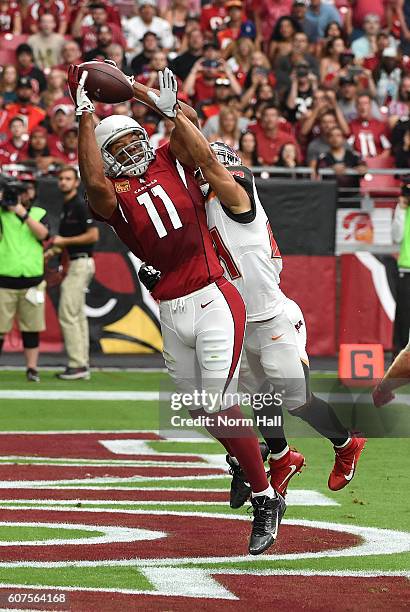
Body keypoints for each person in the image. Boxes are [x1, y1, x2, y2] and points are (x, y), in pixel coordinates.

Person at [70, 62, 282, 555]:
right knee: (198, 407)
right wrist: (85, 115)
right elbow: (94, 185)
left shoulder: (171, 157)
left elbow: (202, 149)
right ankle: (244, 459)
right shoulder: (113, 194)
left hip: (213, 295)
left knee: (218, 399)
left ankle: (266, 496)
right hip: (170, 306)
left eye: (132, 140)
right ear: (105, 157)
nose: (130, 150)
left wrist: (156, 103)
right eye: (116, 148)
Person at [0, 177, 49, 382]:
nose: (17, 196)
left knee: (31, 329)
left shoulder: (39, 213)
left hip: (32, 282)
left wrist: (22, 213)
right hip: (4, 281)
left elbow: (43, 234)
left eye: (22, 192)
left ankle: (32, 369)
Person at [53, 166, 99, 380]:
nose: (63, 181)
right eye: (61, 178)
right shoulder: (67, 205)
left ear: (76, 182)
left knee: (68, 313)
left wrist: (64, 242)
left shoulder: (79, 205)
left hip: (81, 262)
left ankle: (78, 365)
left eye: (68, 178)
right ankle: (82, 363)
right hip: (77, 263)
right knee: (77, 315)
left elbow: (93, 235)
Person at [315, 126, 367, 202]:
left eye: (338, 135)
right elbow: (318, 173)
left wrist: (362, 168)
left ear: (343, 138)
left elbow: (363, 168)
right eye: (331, 136)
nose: (335, 139)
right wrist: (331, 168)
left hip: (353, 197)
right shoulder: (323, 157)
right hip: (330, 198)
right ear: (327, 139)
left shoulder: (354, 156)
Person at [391, 184, 410, 355]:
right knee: (403, 319)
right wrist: (402, 208)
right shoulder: (403, 211)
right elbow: (396, 237)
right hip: (407, 269)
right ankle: (399, 360)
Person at [348, 93, 392, 158]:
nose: (362, 107)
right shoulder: (351, 125)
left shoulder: (381, 126)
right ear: (356, 107)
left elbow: (388, 149)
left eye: (365, 103)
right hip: (358, 165)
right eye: (360, 104)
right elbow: (347, 148)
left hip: (378, 165)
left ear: (371, 106)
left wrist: (378, 160)